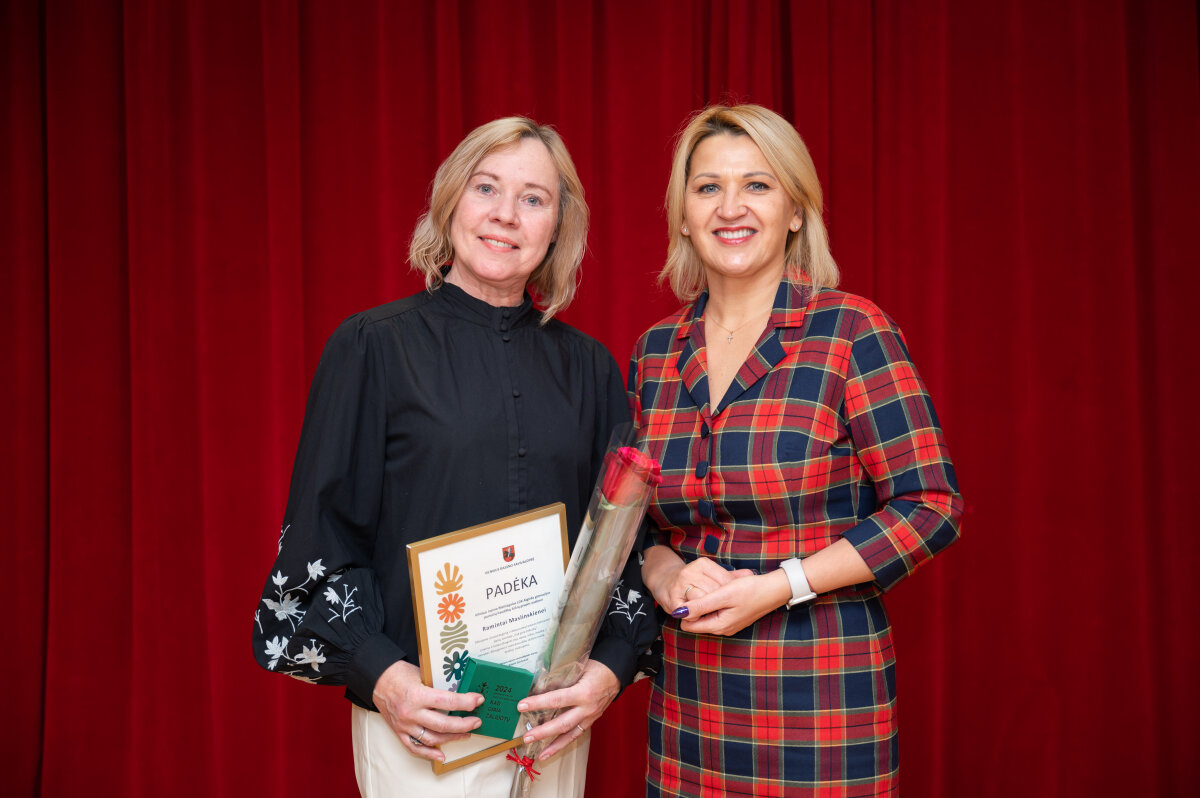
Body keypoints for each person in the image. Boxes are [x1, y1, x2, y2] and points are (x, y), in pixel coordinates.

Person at [252, 116, 656, 797]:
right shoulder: (372, 347)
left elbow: (622, 547)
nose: (506, 214)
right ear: (449, 203)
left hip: (549, 725)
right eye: (486, 188)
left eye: (533, 198)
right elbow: (321, 540)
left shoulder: (590, 369)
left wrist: (609, 672)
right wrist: (384, 678)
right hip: (422, 726)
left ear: (557, 226)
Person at [629, 104, 964, 796]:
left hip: (821, 696)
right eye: (708, 187)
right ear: (683, 216)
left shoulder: (852, 331)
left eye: (757, 185)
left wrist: (782, 585)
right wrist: (663, 577)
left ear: (795, 212)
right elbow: (636, 524)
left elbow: (931, 505)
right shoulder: (654, 352)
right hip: (691, 699)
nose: (730, 207)